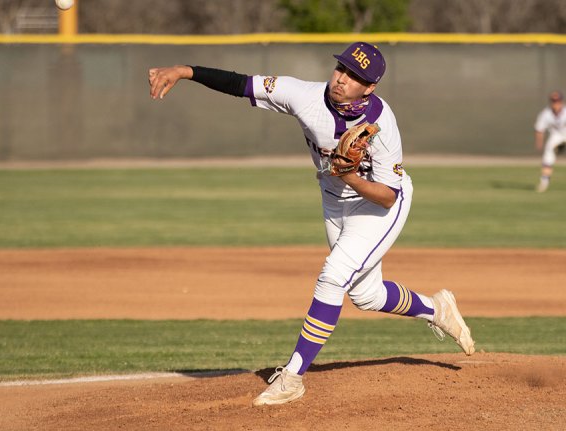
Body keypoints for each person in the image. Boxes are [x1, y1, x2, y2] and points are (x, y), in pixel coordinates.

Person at [148, 42, 475, 406]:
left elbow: (387, 196)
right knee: (366, 295)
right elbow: (241, 84)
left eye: (354, 77)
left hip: (378, 206)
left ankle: (292, 377)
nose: (341, 79)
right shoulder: (302, 95)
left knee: (333, 276)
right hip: (334, 203)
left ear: (369, 88)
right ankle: (436, 309)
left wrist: (350, 176)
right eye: (341, 69)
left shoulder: (383, 123)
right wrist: (185, 71)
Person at [534, 90, 566, 193]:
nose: (555, 103)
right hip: (556, 135)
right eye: (553, 101)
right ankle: (544, 182)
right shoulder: (545, 114)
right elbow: (539, 129)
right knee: (548, 155)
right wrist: (539, 143)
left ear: (561, 101)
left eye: (557, 101)